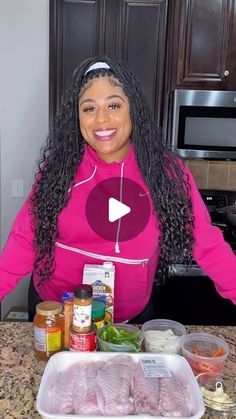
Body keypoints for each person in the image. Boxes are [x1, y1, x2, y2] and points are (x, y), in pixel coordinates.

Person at [0, 55, 236, 323]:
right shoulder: (60, 169)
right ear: (77, 117)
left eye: (114, 105)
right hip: (58, 316)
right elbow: (24, 238)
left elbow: (207, 243)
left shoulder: (165, 171)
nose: (102, 119)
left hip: (127, 321)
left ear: (132, 109)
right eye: (89, 108)